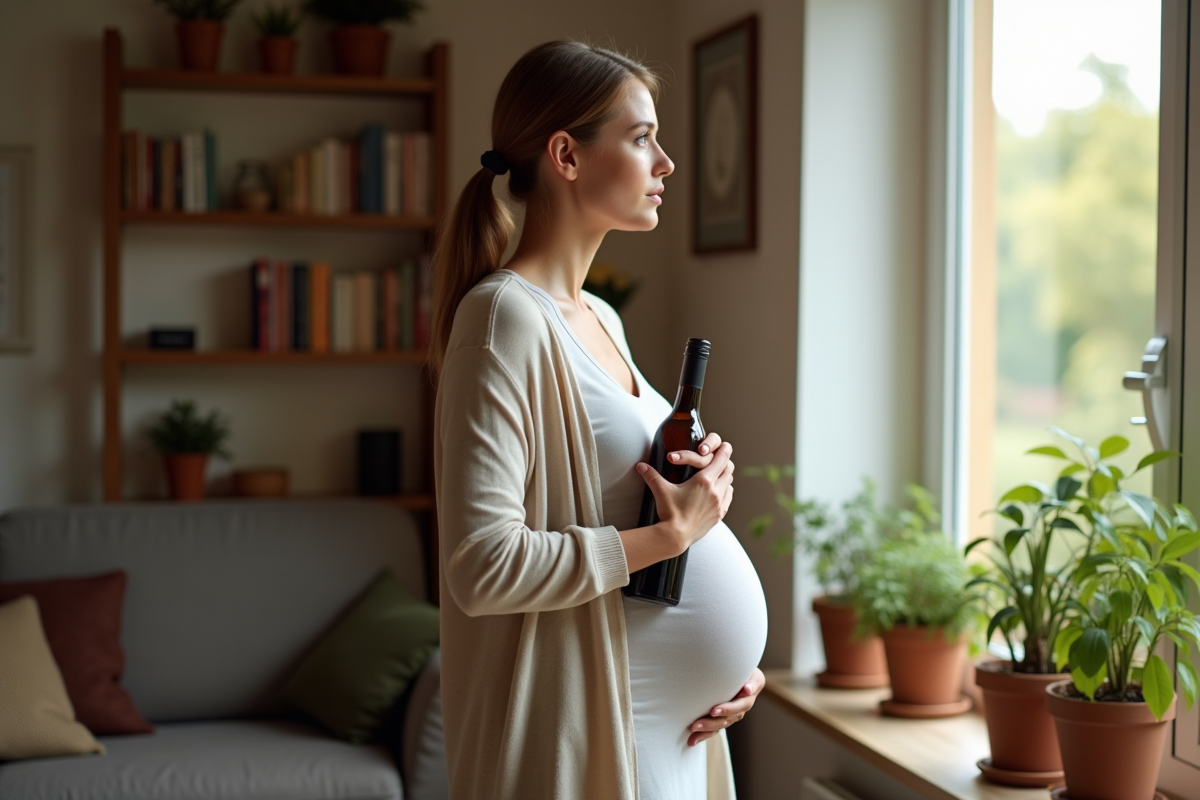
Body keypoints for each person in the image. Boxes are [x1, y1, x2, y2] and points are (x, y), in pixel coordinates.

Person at [430, 40, 769, 800]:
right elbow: (481, 567)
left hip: (670, 731)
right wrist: (671, 536)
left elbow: (617, 515)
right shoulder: (502, 320)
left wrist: (730, 666)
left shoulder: (602, 318)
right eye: (642, 137)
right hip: (595, 738)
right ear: (566, 155)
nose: (667, 163)